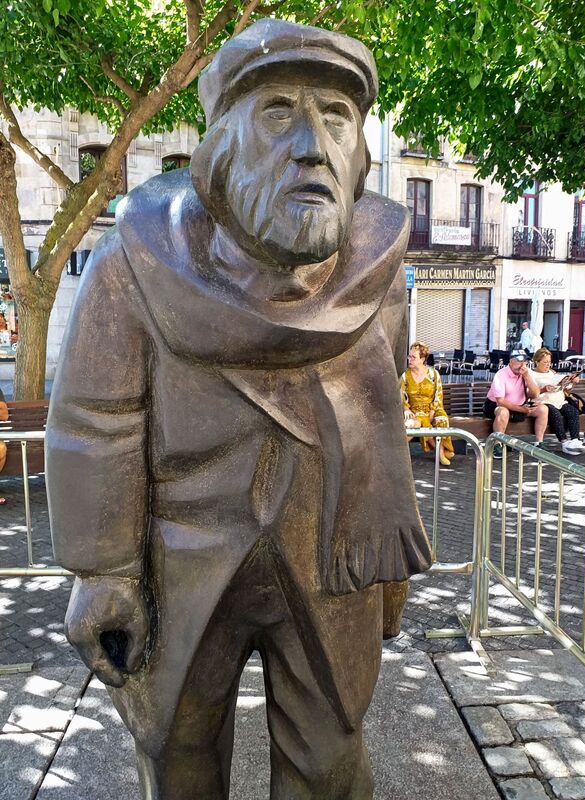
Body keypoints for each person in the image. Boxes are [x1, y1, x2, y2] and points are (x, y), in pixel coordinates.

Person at [46, 20, 432, 800]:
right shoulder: (137, 266)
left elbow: (383, 421)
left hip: (330, 560)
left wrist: (387, 569)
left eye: (337, 117)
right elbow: (96, 421)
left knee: (331, 763)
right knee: (179, 755)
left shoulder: (382, 280)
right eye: (280, 113)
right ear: (221, 144)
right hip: (181, 562)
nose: (311, 146)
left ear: (359, 152)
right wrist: (104, 572)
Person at [483, 349, 548, 458]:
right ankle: (497, 444)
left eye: (524, 362)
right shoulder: (501, 375)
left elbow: (536, 393)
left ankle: (539, 443)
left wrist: (527, 377)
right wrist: (522, 409)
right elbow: (500, 401)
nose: (522, 365)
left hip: (519, 405)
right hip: (496, 405)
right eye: (518, 362)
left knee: (543, 409)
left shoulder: (526, 373)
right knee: (503, 412)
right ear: (511, 361)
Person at [400, 342, 455, 466]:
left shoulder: (433, 374)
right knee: (412, 422)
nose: (410, 359)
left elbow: (438, 394)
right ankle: (440, 453)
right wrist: (406, 409)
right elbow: (401, 395)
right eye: (409, 357)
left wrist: (433, 410)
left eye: (413, 357)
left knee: (441, 420)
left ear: (423, 359)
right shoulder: (405, 375)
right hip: (414, 410)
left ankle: (442, 450)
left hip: (433, 408)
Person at [530, 347, 585, 455]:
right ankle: (564, 442)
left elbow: (565, 389)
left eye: (550, 362)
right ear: (537, 362)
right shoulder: (532, 375)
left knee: (573, 411)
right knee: (555, 414)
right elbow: (530, 392)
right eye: (545, 362)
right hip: (543, 402)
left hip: (559, 401)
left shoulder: (552, 372)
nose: (548, 365)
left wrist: (571, 382)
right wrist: (544, 389)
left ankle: (575, 441)